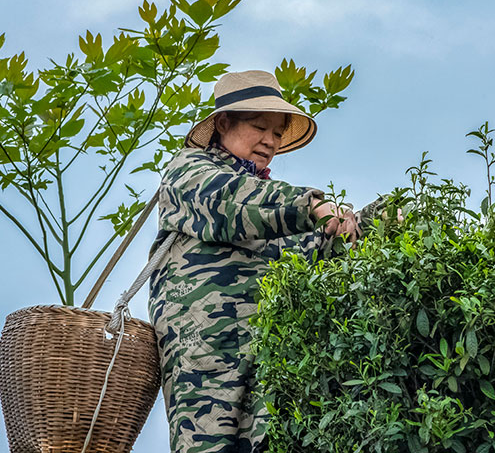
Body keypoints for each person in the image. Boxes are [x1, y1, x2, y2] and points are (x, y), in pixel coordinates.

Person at [148, 70, 359, 453]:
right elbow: (233, 200)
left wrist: (362, 223)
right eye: (260, 127)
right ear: (224, 123)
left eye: (277, 132)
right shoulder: (189, 172)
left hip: (271, 367)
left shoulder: (275, 203)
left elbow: (313, 251)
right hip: (208, 365)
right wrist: (310, 206)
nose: (270, 141)